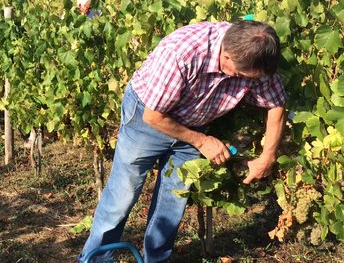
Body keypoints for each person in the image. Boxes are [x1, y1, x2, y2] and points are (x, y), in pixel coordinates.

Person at [78, 20, 286, 263]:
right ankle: (95, 259)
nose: (246, 80)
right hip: (148, 119)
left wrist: (267, 156)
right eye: (240, 75)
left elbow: (276, 103)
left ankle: (156, 259)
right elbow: (154, 116)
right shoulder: (183, 52)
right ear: (227, 56)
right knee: (123, 193)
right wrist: (202, 141)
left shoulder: (256, 54)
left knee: (173, 199)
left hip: (195, 123)